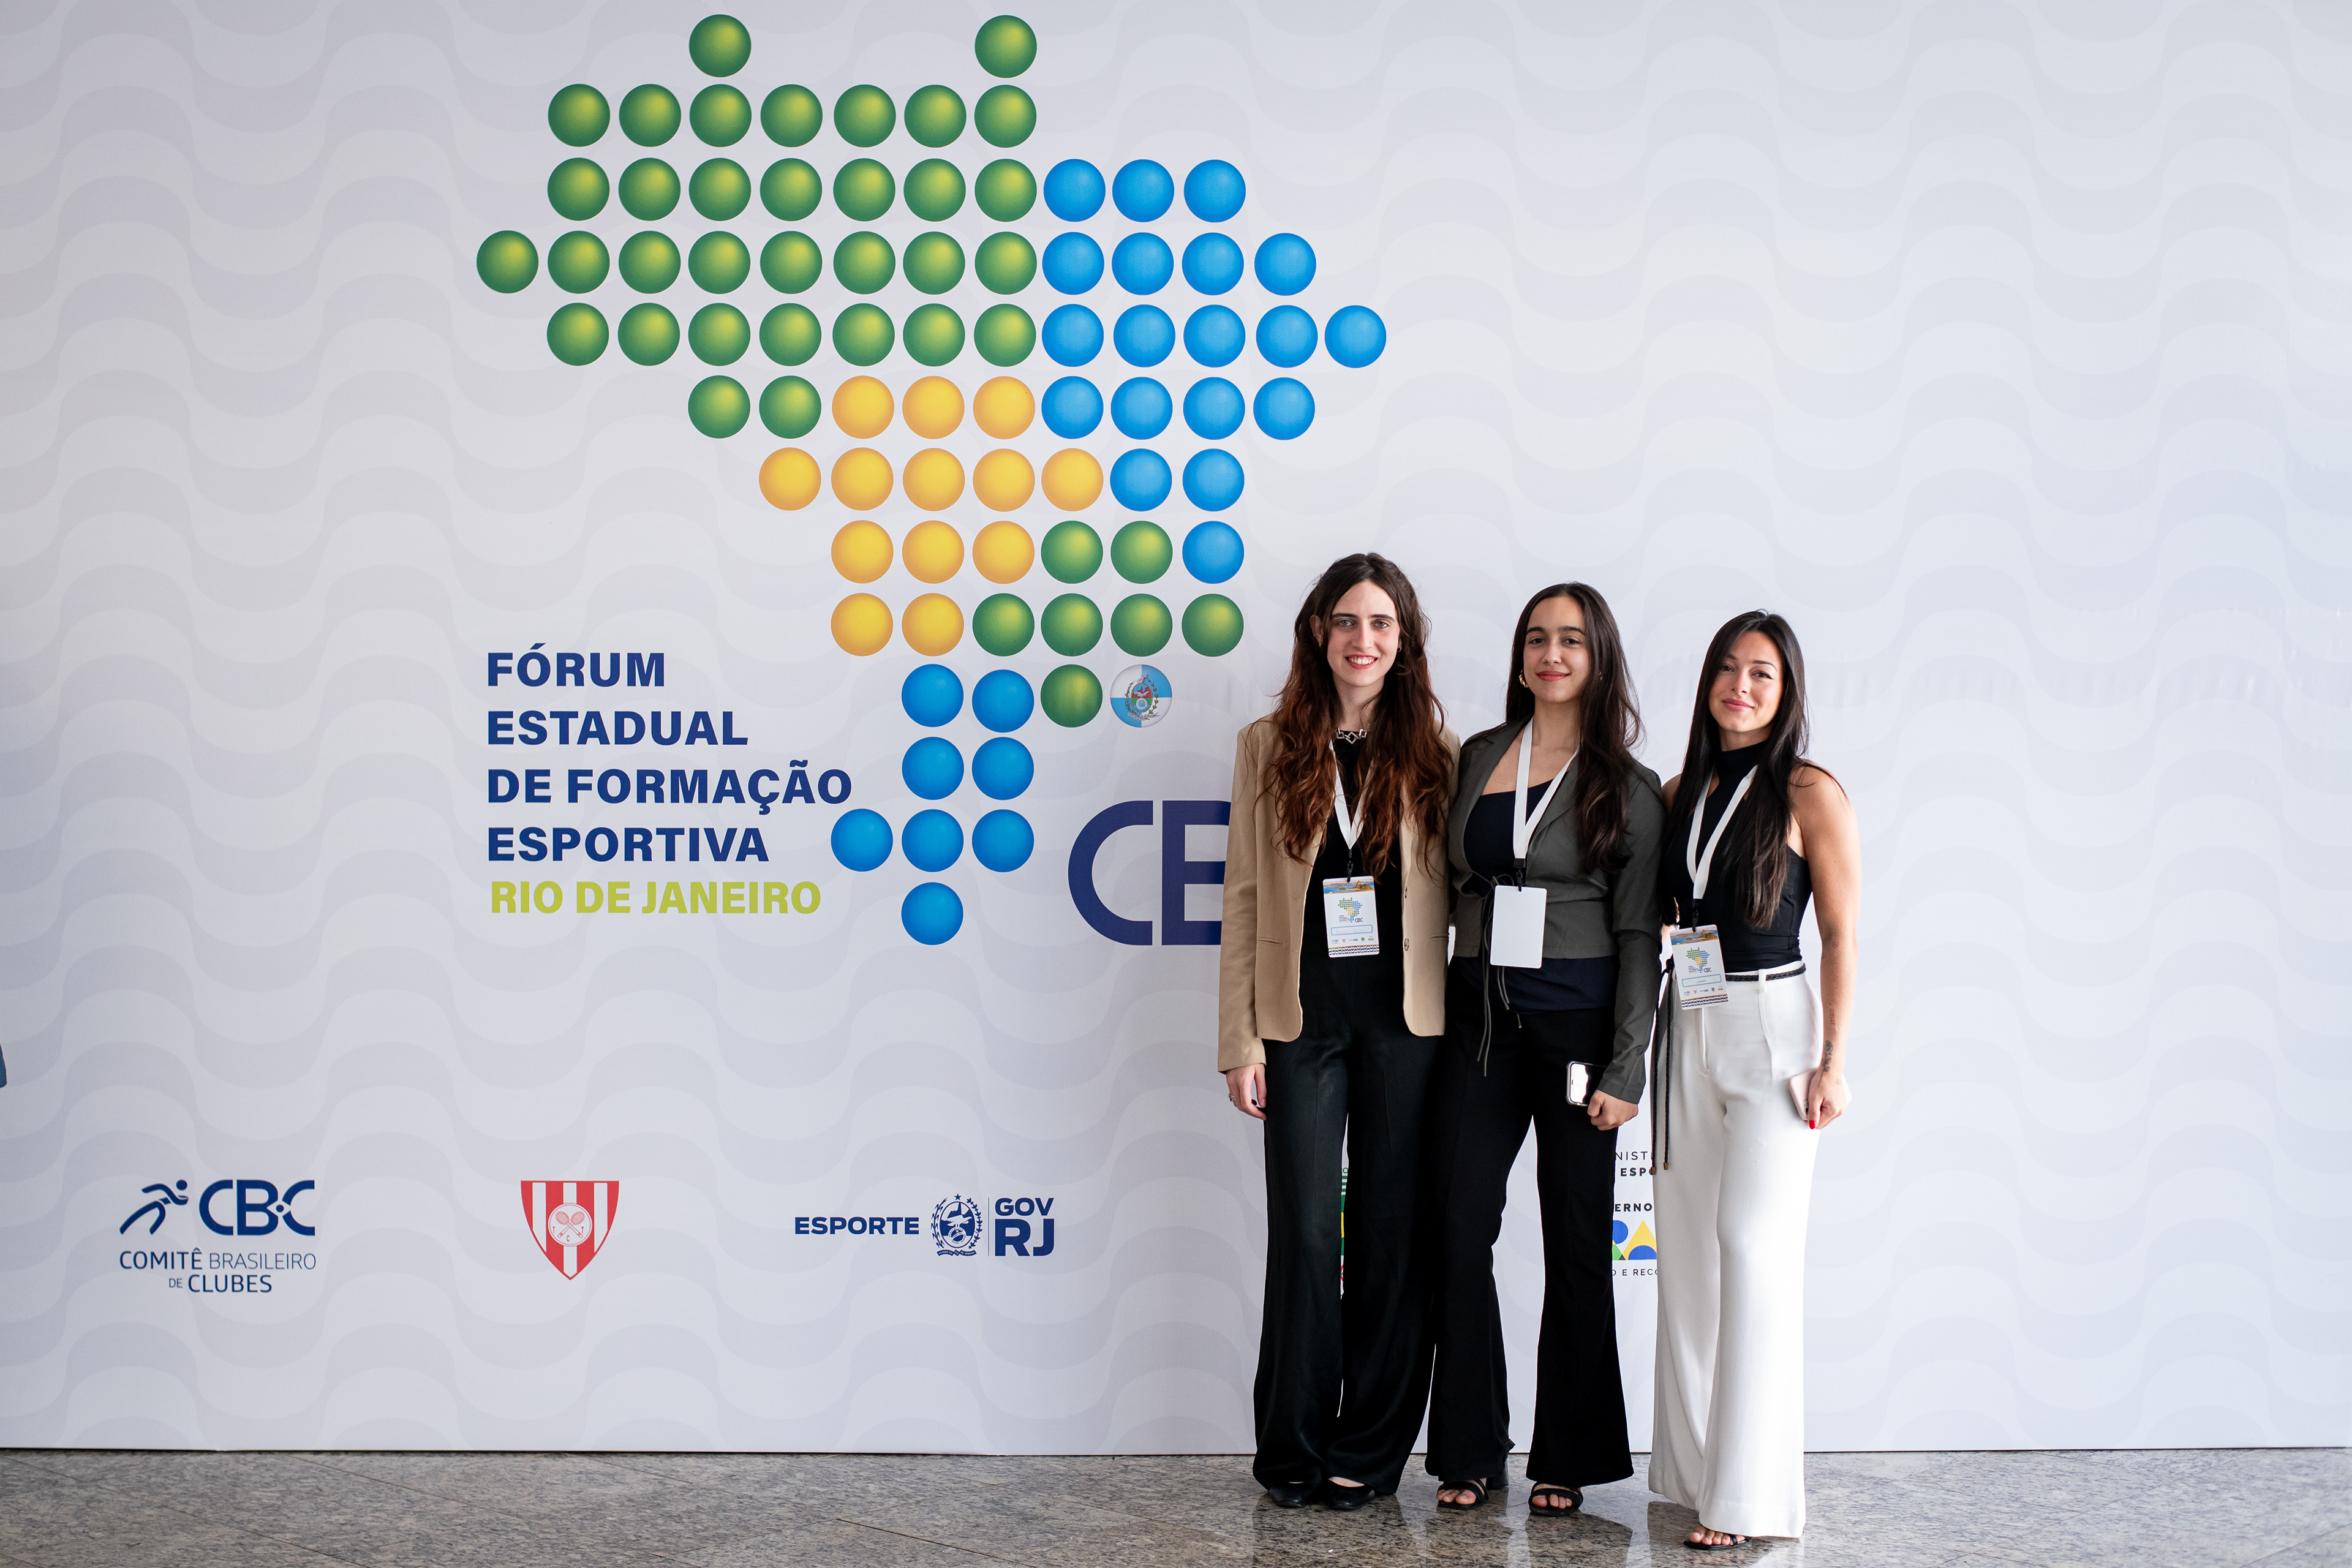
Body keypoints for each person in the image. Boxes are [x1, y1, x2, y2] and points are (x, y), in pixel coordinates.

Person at [1217, 553, 1458, 1510]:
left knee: (1392, 1234)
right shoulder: (1267, 744)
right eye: (1347, 621)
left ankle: (1370, 1450)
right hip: (1300, 1019)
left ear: (1405, 641)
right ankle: (1293, 1447)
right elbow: (1243, 897)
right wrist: (1239, 1041)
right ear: (1319, 632)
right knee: (1309, 1234)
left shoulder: (1437, 752)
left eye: (1382, 624)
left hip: (1407, 1024)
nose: (1364, 640)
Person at [1423, 583, 1665, 1518]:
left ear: (1599, 658)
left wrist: (1627, 1064)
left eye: (1570, 640)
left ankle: (1569, 1454)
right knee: (1457, 1227)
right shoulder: (1481, 755)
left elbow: (1640, 935)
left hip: (1579, 1027)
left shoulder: (1629, 786)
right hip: (1479, 1019)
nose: (1551, 655)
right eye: (1536, 639)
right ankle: (1469, 1447)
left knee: (1575, 1239)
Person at [1650, 611, 1858, 1549]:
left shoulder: (1809, 790)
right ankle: (1694, 1472)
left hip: (1773, 1026)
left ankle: (1749, 1499)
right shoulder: (1676, 790)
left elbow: (1842, 934)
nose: (1741, 686)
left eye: (1762, 674)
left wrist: (1834, 1062)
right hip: (1685, 1021)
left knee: (1752, 1246)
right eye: (1728, 669)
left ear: (1787, 690)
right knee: (1687, 1252)